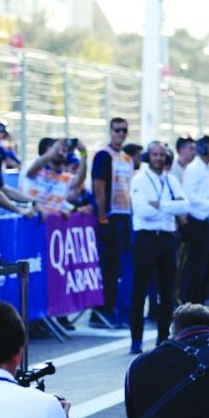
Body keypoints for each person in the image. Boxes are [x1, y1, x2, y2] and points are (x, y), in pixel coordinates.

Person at [129, 141, 190, 354]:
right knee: (139, 291)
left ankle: (163, 338)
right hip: (145, 238)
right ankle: (136, 340)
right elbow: (143, 211)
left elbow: (185, 205)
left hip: (167, 238)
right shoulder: (139, 179)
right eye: (154, 154)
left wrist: (160, 205)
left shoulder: (171, 180)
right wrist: (170, 207)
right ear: (148, 157)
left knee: (167, 291)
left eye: (162, 155)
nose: (158, 158)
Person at [91, 117, 135, 325]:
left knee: (119, 266)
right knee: (108, 266)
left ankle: (115, 306)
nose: (121, 134)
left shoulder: (126, 158)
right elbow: (98, 188)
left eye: (124, 130)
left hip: (125, 215)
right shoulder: (103, 155)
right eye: (117, 130)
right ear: (110, 131)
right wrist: (102, 217)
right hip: (110, 216)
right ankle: (102, 310)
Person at [181, 136, 209, 304]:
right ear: (203, 149)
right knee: (195, 265)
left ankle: (202, 298)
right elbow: (189, 194)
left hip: (208, 220)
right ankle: (191, 302)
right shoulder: (194, 169)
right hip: (197, 221)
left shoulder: (206, 168)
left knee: (208, 263)